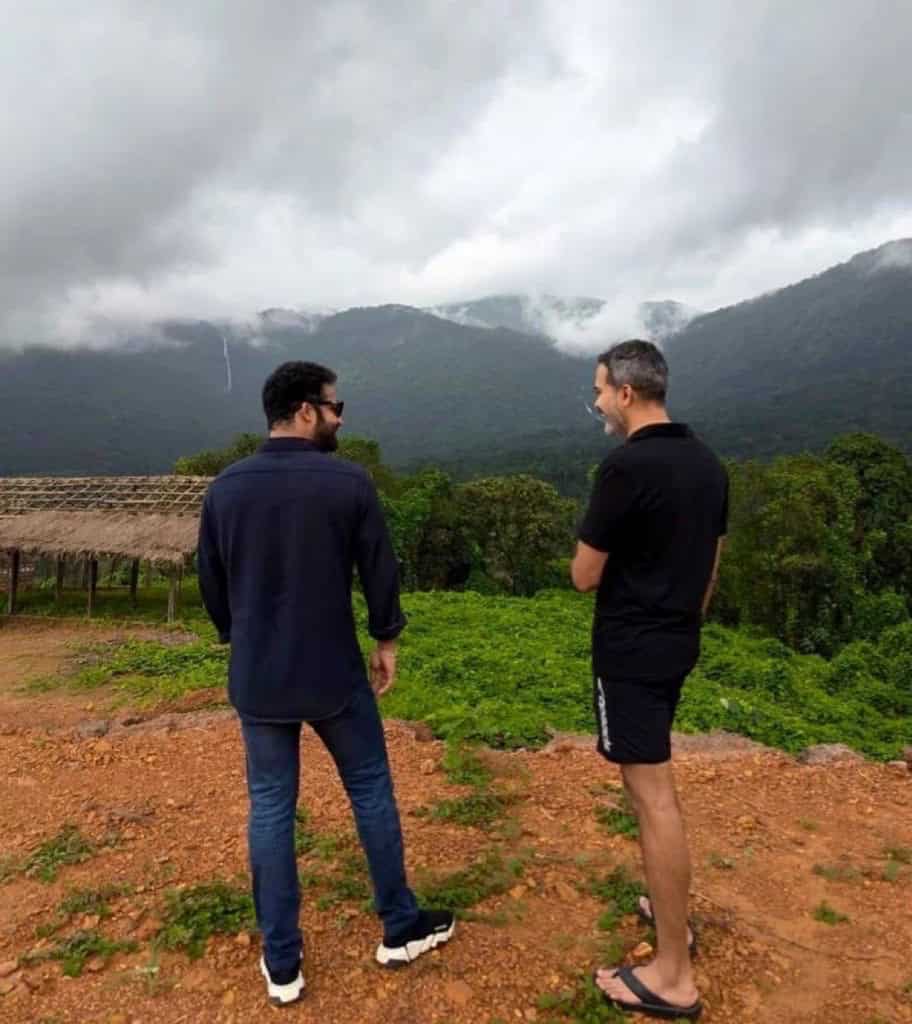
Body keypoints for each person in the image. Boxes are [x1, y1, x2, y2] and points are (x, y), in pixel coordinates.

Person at [197, 361, 454, 1006]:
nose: (340, 418)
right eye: (337, 407)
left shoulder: (226, 488)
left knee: (270, 807)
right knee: (369, 790)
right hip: (334, 672)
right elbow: (379, 569)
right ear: (307, 410)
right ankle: (400, 926)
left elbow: (211, 580)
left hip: (258, 677)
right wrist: (386, 640)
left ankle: (282, 963)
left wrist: (239, 636)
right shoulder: (347, 482)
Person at [570, 340, 727, 1021]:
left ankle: (672, 975)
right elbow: (711, 566)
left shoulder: (625, 467)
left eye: (600, 390)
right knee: (654, 791)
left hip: (630, 650)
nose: (598, 401)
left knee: (652, 796)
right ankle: (669, 915)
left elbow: (584, 575)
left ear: (626, 393)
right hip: (677, 642)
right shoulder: (707, 462)